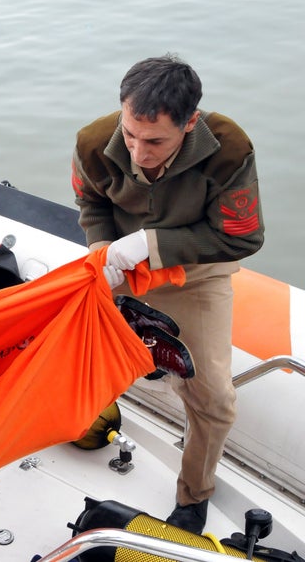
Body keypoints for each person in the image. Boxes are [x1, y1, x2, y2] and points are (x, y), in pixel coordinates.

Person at [71, 54, 264, 534]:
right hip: (118, 266)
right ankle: (79, 418)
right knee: (71, 348)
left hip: (196, 273)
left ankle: (193, 495)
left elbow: (242, 237)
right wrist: (102, 249)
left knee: (215, 398)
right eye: (130, 134)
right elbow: (90, 201)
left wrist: (152, 244)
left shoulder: (229, 150)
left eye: (155, 140)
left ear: (190, 122)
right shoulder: (93, 143)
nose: (138, 151)